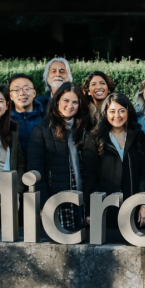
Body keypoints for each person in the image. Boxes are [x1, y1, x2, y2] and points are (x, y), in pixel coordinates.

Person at [83, 93, 145, 228]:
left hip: (134, 207)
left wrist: (144, 204)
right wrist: (91, 210)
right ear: (106, 113)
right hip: (105, 207)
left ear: (128, 111)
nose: (117, 116)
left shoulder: (138, 136)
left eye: (122, 111)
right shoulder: (94, 138)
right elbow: (89, 177)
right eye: (112, 111)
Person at [28, 82, 91, 231]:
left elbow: (92, 170)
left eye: (75, 102)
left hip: (82, 198)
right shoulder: (42, 130)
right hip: (56, 199)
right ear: (57, 102)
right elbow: (35, 171)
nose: (70, 106)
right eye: (66, 101)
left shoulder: (85, 128)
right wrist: (42, 205)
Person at [0, 85, 25, 211]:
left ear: (7, 106)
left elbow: (20, 165)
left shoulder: (12, 131)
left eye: (0, 101)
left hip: (9, 198)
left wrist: (16, 192)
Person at [9, 73, 44, 160]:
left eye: (26, 88)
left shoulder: (45, 116)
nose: (22, 93)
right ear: (11, 96)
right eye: (16, 90)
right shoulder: (5, 120)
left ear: (34, 93)